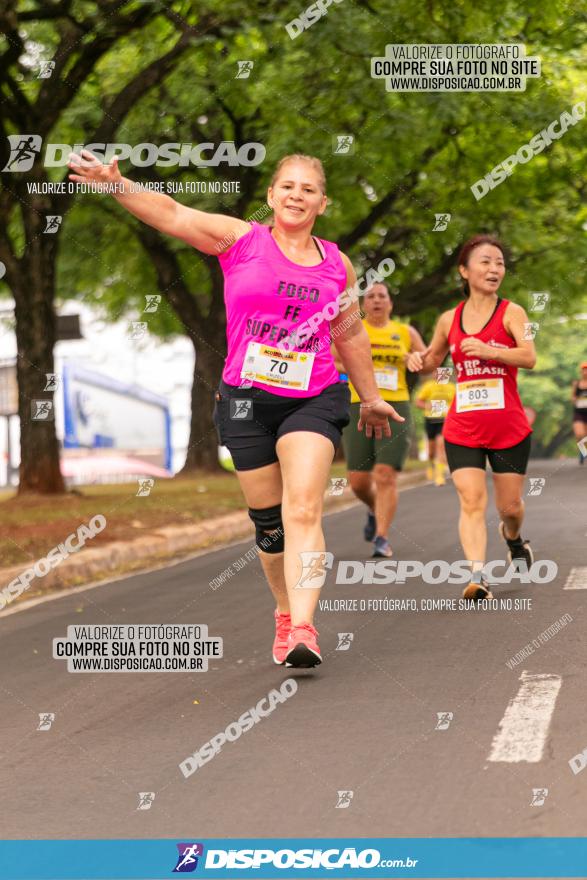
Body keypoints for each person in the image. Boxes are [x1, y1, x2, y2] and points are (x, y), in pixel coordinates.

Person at [68, 150, 402, 667]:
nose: (296, 195)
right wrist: (117, 184)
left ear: (323, 202)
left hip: (313, 395)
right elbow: (174, 214)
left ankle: (306, 630)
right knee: (269, 524)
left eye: (308, 189)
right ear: (270, 196)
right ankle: (285, 612)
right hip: (246, 400)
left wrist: (372, 396)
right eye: (287, 187)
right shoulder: (242, 240)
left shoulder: (337, 264)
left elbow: (348, 330)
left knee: (304, 508)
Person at [407, 235, 536, 600]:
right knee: (470, 499)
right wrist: (417, 361)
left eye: (499, 263)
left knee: (508, 507)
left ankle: (513, 539)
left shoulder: (514, 313)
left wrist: (490, 350)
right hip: (463, 426)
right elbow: (432, 359)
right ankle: (478, 577)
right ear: (464, 271)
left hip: (508, 427)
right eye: (485, 262)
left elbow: (529, 357)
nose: (495, 269)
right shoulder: (449, 319)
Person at [332, 283, 425, 558]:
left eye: (381, 296)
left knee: (385, 475)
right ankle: (375, 510)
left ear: (390, 304)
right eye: (370, 296)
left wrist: (415, 358)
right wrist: (359, 365)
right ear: (362, 304)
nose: (375, 301)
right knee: (358, 481)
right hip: (357, 402)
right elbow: (331, 360)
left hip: (395, 403)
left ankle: (381, 538)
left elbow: (429, 359)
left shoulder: (404, 332)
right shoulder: (351, 328)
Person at [415, 371, 455, 486]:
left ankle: (439, 475)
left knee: (440, 446)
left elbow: (456, 403)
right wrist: (429, 406)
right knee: (431, 451)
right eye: (437, 372)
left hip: (444, 420)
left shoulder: (451, 387)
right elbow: (418, 402)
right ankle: (430, 464)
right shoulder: (429, 386)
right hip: (431, 419)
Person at [571, 362, 587, 464]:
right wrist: (575, 399)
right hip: (579, 412)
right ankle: (583, 452)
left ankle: (583, 452)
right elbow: (572, 397)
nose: (585, 372)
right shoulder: (577, 384)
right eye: (584, 370)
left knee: (586, 435)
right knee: (579, 434)